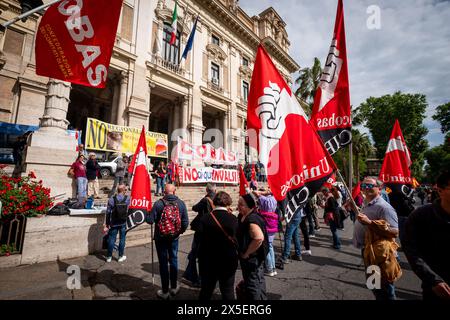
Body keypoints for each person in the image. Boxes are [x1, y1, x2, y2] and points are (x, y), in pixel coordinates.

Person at [403, 171, 450, 301]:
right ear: (440, 190)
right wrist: (432, 280)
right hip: (437, 287)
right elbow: (411, 249)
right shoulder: (421, 216)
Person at [353, 177, 399, 300]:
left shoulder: (384, 207)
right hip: (369, 252)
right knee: (374, 286)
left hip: (380, 254)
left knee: (385, 290)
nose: (365, 189)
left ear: (379, 189)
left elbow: (395, 232)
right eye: (363, 186)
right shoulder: (366, 202)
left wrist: (369, 223)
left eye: (369, 186)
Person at [146, 184, 189, 299]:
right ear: (174, 192)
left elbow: (150, 221)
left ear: (164, 192)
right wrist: (179, 232)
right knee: (174, 260)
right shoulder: (181, 203)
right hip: (174, 238)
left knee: (163, 263)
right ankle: (174, 287)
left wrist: (148, 212)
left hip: (160, 238)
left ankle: (165, 291)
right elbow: (185, 222)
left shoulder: (158, 203)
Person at [197, 191, 238, 300]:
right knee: (228, 291)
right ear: (228, 203)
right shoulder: (233, 219)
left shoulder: (205, 218)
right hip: (228, 260)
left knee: (206, 290)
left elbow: (199, 239)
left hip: (208, 260)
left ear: (215, 202)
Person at [183, 183, 217, 287]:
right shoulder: (218, 198)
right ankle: (192, 275)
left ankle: (196, 278)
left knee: (195, 253)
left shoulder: (206, 200)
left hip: (202, 230)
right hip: (214, 229)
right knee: (207, 255)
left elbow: (195, 208)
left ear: (207, 190)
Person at [236, 194, 268, 300]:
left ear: (250, 206)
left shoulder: (252, 219)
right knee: (257, 281)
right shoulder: (242, 215)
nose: (238, 206)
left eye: (241, 205)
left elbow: (258, 238)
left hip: (252, 259)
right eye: (238, 203)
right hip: (249, 259)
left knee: (253, 284)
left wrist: (247, 253)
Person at [253, 188, 278, 277]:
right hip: (273, 223)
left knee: (266, 247)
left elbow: (255, 192)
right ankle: (273, 267)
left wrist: (262, 192)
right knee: (270, 246)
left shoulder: (264, 199)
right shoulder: (274, 198)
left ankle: (269, 268)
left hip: (266, 223)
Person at [104, 184, 130, 262]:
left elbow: (108, 212)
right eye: (125, 190)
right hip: (123, 222)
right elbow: (128, 209)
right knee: (122, 239)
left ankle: (109, 257)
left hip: (114, 222)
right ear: (123, 190)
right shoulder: (127, 199)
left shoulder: (112, 199)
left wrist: (107, 224)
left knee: (112, 239)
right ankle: (120, 256)